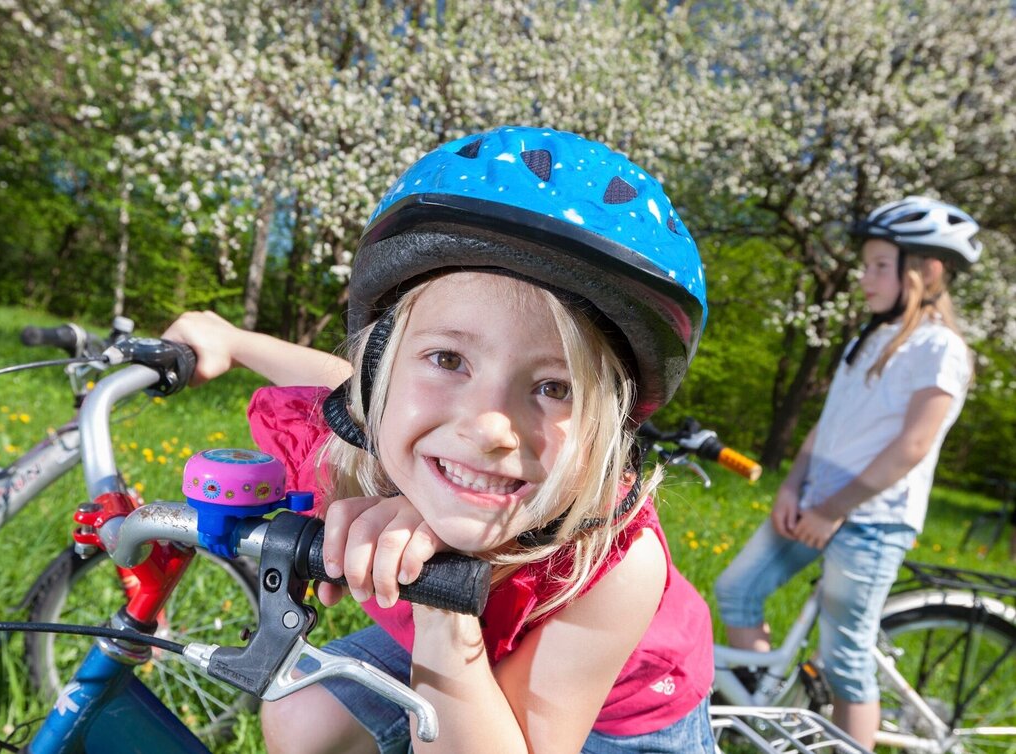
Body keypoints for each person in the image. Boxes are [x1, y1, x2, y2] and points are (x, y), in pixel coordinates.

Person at [164, 125, 716, 753]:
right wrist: (232, 341)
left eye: (555, 388)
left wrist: (442, 605)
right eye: (449, 360)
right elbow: (326, 376)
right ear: (380, 372)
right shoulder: (375, 425)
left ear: (605, 429)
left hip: (611, 710)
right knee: (301, 714)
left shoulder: (619, 563)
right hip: (464, 639)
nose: (487, 430)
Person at [714, 196, 978, 748]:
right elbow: (826, 427)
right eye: (867, 264)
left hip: (869, 520)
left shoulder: (939, 347)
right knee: (737, 589)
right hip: (814, 503)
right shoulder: (868, 337)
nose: (865, 277)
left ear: (926, 270)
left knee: (843, 656)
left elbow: (913, 445)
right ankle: (771, 723)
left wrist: (832, 510)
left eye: (880, 265)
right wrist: (792, 486)